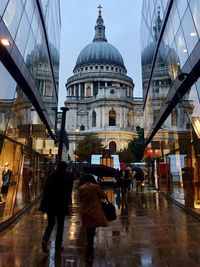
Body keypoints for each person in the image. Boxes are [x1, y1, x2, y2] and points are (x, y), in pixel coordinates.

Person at [39, 161, 74, 254]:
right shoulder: (67, 177)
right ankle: (58, 246)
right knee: (60, 226)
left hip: (51, 204)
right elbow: (68, 191)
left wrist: (44, 203)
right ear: (65, 168)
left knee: (51, 223)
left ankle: (45, 240)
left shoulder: (52, 176)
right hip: (61, 204)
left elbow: (46, 190)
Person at [79, 173, 108, 264]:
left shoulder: (81, 188)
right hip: (94, 211)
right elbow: (104, 196)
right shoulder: (95, 187)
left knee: (89, 233)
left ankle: (88, 253)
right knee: (91, 234)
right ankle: (89, 254)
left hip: (85, 212)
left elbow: (80, 199)